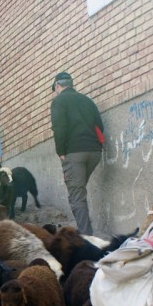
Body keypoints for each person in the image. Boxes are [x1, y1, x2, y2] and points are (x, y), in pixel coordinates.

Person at [50, 71, 104, 235]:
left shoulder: (59, 101)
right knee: (78, 191)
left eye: (55, 89)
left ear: (58, 86)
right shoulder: (87, 100)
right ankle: (86, 229)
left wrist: (60, 151)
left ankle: (86, 238)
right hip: (94, 152)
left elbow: (60, 127)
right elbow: (99, 125)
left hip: (74, 153)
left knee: (76, 195)